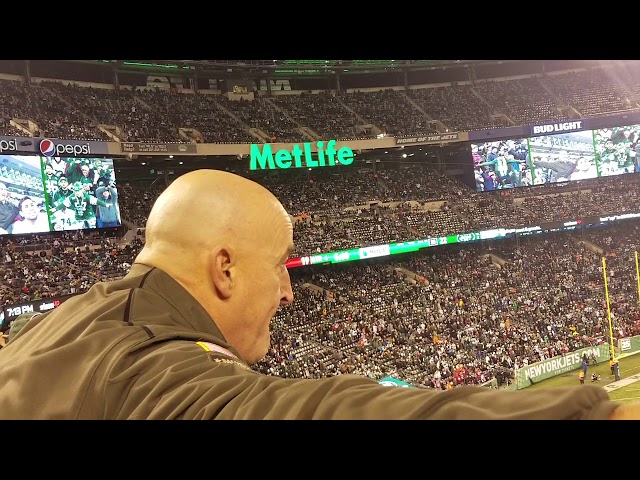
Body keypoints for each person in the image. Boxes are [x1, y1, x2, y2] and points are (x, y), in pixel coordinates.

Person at [1, 169, 640, 420]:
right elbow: (310, 412)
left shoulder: (66, 323)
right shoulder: (152, 365)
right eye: (281, 266)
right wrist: (586, 414)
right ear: (224, 267)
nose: (288, 291)